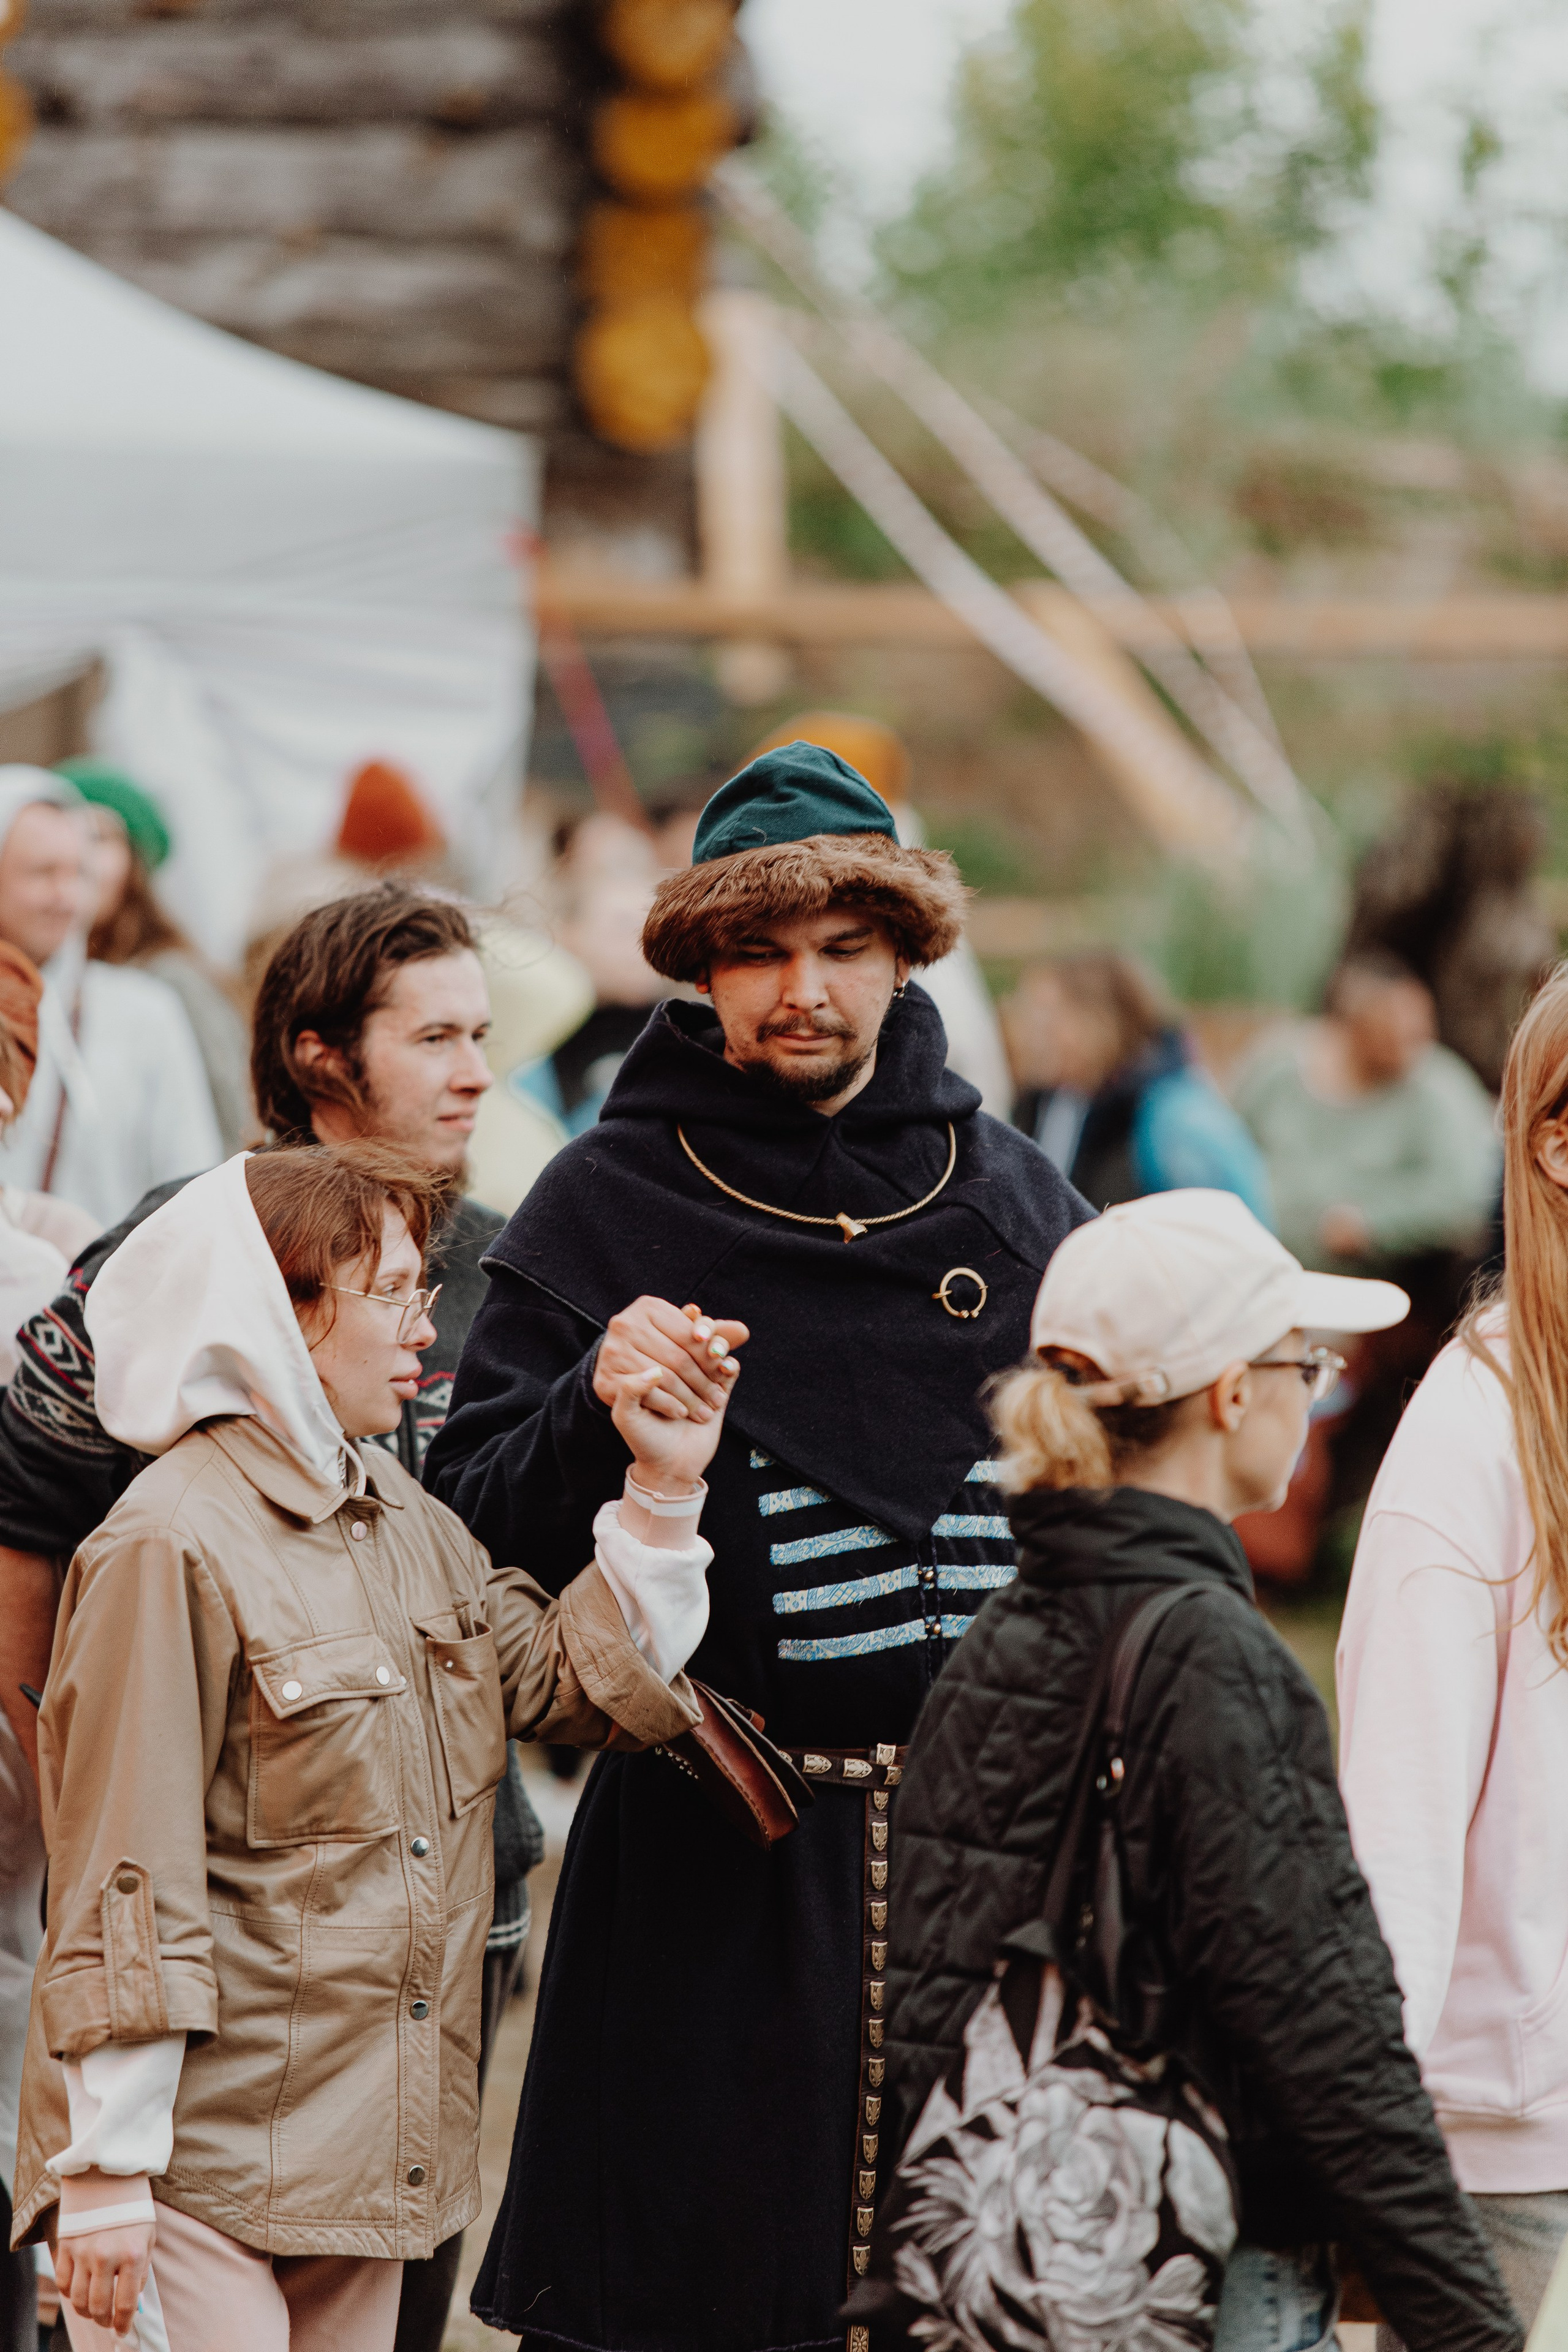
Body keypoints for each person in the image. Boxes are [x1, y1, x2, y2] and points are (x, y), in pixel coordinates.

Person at [426, 741, 1093, 2352]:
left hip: (986, 1871)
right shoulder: (603, 1204)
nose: (804, 989)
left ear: (907, 955)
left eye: (845, 949)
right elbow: (455, 1531)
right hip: (706, 1874)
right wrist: (592, 1401)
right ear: (702, 969)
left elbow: (1118, 1513)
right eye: (762, 953)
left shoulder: (1016, 1203)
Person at [9, 1140, 729, 2350]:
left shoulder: (409, 1525)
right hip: (197, 2169)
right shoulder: (166, 1544)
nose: (425, 1323)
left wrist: (662, 1488)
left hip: (365, 2164)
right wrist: (108, 2172)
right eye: (390, 1291)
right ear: (276, 1314)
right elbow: (124, 1870)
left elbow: (569, 1685)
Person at [0, 882, 540, 2352]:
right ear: (319, 1057)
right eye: (434, 1035)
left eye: (481, 1033)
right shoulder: (173, 1254)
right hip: (222, 1934)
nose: (475, 1070)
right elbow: (26, 1524)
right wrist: (94, 1798)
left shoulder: (511, 1268)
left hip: (446, 1911)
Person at [876, 1189, 1521, 2352]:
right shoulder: (1215, 1657)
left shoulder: (1001, 1635)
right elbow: (1328, 2036)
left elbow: (932, 2000)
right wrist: (1474, 2330)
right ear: (1235, 1393)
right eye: (1306, 1365)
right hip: (1209, 2274)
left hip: (1026, 2274)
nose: (1313, 1394)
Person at [1338, 960, 1568, 2335]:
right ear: (1555, 1139)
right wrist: (1367, 2144)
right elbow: (1397, 1822)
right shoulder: (1474, 1427)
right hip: (1511, 2149)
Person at [0, 769, 220, 1232]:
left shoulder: (144, 1012)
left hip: (101, 1298)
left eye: (78, 873)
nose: (66, 897)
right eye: (42, 873)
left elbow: (189, 1187)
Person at [1232, 948, 1499, 1273]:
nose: (1416, 1038)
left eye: (1420, 1024)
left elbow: (1464, 1196)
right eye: (1396, 1026)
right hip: (1256, 1261)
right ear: (1353, 1025)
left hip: (1377, 1287)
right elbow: (1225, 1145)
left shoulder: (1440, 1090)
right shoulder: (1277, 1067)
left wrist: (1372, 1224)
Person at [61, 758, 254, 1158]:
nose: (78, 857)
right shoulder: (43, 981)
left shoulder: (170, 979)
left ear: (136, 864)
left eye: (98, 838)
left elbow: (231, 1124)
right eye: (64, 836)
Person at [1005, 949, 1273, 1219]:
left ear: (1099, 1021)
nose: (1032, 1033)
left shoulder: (1173, 1118)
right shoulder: (1055, 1103)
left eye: (1050, 1018)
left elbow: (1227, 1232)